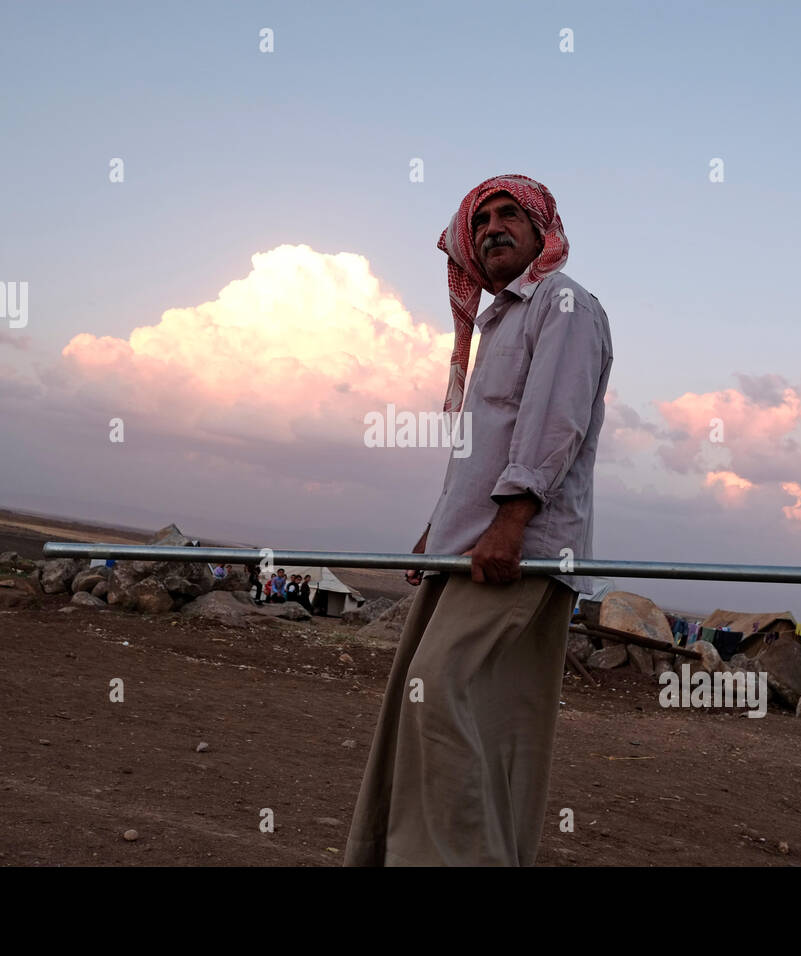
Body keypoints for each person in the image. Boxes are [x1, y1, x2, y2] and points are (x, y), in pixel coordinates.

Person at [345, 174, 613, 867]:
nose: (493, 227)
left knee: (434, 696)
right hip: (469, 548)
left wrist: (512, 521)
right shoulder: (501, 322)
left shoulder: (563, 304)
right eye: (482, 219)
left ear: (541, 230)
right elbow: (487, 444)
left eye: (509, 216)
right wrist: (438, 529)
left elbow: (555, 422)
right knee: (488, 721)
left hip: (516, 550)